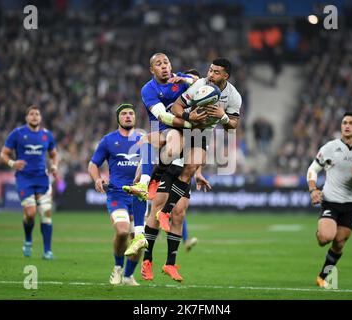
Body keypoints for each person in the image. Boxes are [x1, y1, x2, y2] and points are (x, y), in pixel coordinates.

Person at [156, 57, 242, 232]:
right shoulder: (199, 85)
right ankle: (153, 178)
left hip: (202, 133)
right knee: (171, 154)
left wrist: (222, 116)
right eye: (210, 70)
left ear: (226, 75)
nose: (210, 74)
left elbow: (232, 126)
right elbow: (176, 107)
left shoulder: (234, 96)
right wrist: (189, 117)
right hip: (184, 127)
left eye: (216, 72)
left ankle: (164, 213)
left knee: (191, 168)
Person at [123, 53, 205, 201]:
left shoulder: (180, 79)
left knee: (155, 143)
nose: (163, 66)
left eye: (166, 62)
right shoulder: (148, 89)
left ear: (171, 65)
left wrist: (186, 79)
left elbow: (202, 84)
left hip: (186, 133)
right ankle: (143, 185)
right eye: (158, 64)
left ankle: (151, 179)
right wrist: (189, 122)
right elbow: (164, 117)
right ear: (152, 70)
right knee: (147, 142)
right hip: (165, 129)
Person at [306, 111, 352, 288]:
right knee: (325, 238)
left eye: (351, 123)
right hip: (330, 201)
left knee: (339, 243)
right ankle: (321, 232)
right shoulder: (329, 147)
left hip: (351, 205)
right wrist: (313, 189)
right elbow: (312, 169)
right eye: (344, 122)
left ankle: (323, 276)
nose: (347, 126)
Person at [88, 104, 147, 286]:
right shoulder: (108, 140)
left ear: (135, 118)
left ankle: (129, 276)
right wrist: (97, 179)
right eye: (124, 114)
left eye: (131, 113)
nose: (128, 116)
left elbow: (152, 165)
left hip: (138, 196)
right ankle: (117, 269)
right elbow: (93, 164)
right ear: (118, 118)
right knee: (122, 231)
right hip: (117, 194)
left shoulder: (144, 140)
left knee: (137, 239)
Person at [0, 105, 59, 260]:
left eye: (37, 114)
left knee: (46, 213)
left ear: (40, 118)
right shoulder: (17, 134)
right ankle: (28, 239)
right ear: (26, 117)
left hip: (42, 178)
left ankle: (47, 251)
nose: (34, 116)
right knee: (31, 214)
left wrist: (54, 166)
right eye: (31, 114)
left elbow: (54, 154)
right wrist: (12, 163)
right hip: (24, 178)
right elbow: (3, 153)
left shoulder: (47, 135)